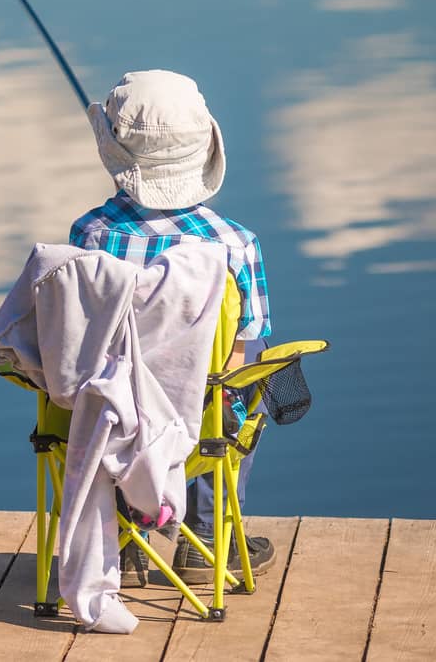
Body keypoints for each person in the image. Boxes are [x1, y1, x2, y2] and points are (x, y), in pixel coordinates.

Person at [68, 70, 275, 583]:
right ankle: (206, 536)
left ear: (113, 152)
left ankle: (125, 531)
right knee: (252, 354)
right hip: (196, 421)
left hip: (112, 416)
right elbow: (244, 341)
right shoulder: (234, 243)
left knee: (118, 372)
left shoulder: (89, 234)